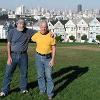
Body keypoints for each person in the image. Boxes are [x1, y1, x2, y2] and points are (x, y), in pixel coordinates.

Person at [31, 20, 56, 100]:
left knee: (49, 76)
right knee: (40, 75)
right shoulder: (36, 35)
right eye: (42, 27)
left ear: (47, 27)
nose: (43, 29)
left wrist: (53, 59)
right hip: (38, 57)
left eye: (45, 27)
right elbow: (30, 37)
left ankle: (50, 94)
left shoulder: (51, 35)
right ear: (39, 27)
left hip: (48, 58)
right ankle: (42, 90)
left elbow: (54, 47)